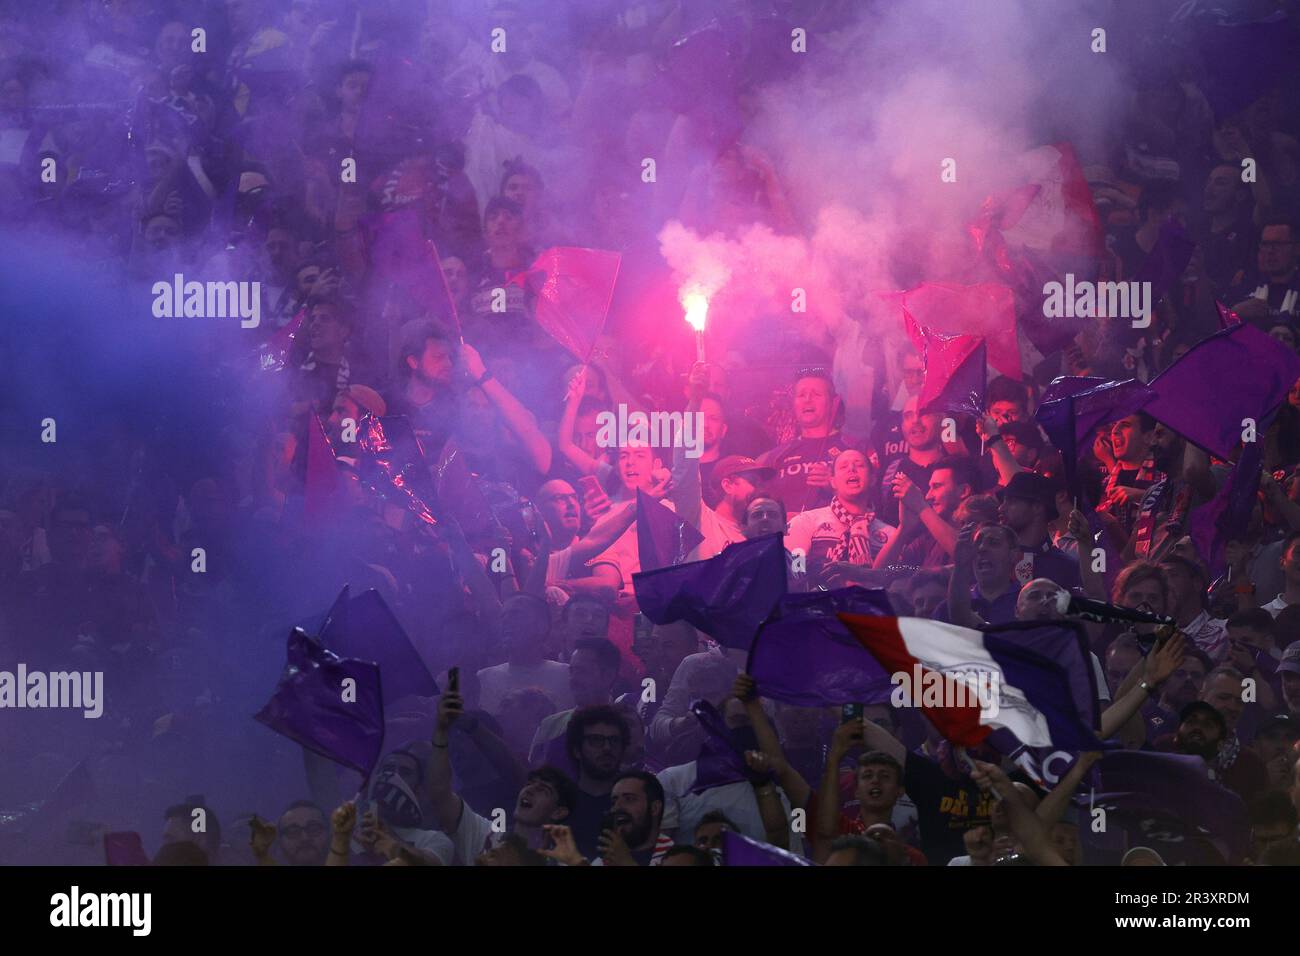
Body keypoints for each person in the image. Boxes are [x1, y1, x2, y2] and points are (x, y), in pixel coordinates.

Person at [429, 688, 577, 864]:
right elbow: (439, 791)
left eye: (543, 789)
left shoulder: (562, 861)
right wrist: (439, 732)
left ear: (559, 811)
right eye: (530, 785)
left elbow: (512, 767)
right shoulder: (486, 836)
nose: (529, 790)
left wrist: (473, 726)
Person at [784, 448, 892, 586]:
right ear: (833, 481)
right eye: (843, 466)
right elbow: (794, 571)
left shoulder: (891, 535)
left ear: (872, 479)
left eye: (859, 465)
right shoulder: (806, 521)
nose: (851, 469)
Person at [757, 368, 851, 517]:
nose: (807, 399)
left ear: (834, 402)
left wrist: (836, 485)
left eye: (816, 394)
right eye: (801, 395)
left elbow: (870, 503)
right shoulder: (773, 457)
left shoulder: (852, 450)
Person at [475, 593, 571, 716]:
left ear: (542, 626)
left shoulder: (567, 676)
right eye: (503, 616)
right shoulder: (483, 678)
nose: (506, 621)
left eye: (516, 614)